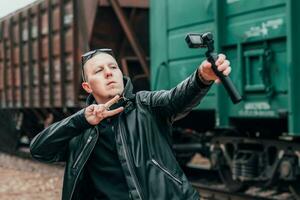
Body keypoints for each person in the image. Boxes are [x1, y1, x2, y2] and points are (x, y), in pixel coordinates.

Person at [30, 48, 231, 200]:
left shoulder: (145, 105)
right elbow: (39, 149)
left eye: (113, 67)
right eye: (99, 70)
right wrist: (81, 119)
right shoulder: (80, 129)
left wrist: (202, 78)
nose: (109, 73)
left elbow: (175, 98)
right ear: (87, 87)